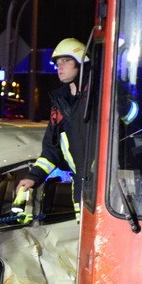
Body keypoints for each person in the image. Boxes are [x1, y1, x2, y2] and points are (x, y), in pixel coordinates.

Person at [14, 38, 93, 212]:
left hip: (103, 186)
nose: (60, 67)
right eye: (57, 63)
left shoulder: (99, 98)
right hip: (80, 187)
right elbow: (52, 149)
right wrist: (33, 177)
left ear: (82, 62)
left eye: (66, 60)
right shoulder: (60, 103)